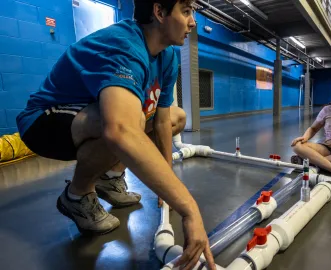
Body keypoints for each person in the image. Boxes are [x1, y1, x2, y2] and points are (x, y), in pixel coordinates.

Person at [16, 1, 216, 269]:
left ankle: (109, 179)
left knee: (175, 117)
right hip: (43, 122)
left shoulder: (167, 56)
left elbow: (162, 120)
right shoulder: (124, 45)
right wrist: (189, 208)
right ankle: (77, 195)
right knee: (124, 122)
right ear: (159, 12)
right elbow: (120, 130)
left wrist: (168, 185)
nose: (193, 22)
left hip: (85, 121)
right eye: (187, 11)